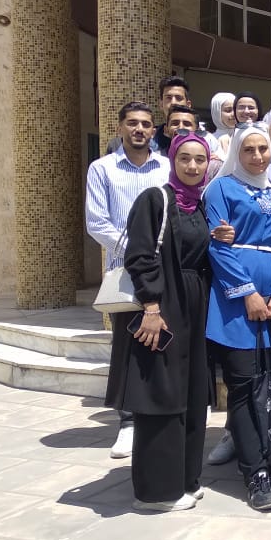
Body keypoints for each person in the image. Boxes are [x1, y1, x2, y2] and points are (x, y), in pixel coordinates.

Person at [105, 133, 213, 511]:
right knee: (161, 392)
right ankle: (156, 493)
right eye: (185, 158)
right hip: (164, 307)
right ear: (172, 160)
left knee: (191, 394)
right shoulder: (155, 199)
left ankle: (185, 479)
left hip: (194, 309)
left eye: (200, 159)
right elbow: (139, 256)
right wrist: (151, 307)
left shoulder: (199, 206)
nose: (193, 166)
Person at [205, 123, 271, 512]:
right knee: (243, 387)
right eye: (249, 150)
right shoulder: (221, 190)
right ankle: (255, 473)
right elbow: (218, 247)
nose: (258, 156)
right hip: (236, 305)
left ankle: (270, 452)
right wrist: (248, 293)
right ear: (236, 153)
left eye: (263, 149)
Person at [86, 102, 170, 459]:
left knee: (163, 340)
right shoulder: (102, 168)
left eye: (146, 124)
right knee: (128, 346)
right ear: (120, 127)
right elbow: (97, 222)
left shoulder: (166, 166)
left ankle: (159, 416)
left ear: (153, 130)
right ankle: (128, 422)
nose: (139, 129)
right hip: (125, 273)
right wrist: (138, 250)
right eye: (132, 123)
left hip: (165, 269)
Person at [209, 92, 235, 162]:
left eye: (235, 109)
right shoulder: (210, 140)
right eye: (228, 110)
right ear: (217, 113)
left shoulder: (244, 137)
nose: (233, 114)